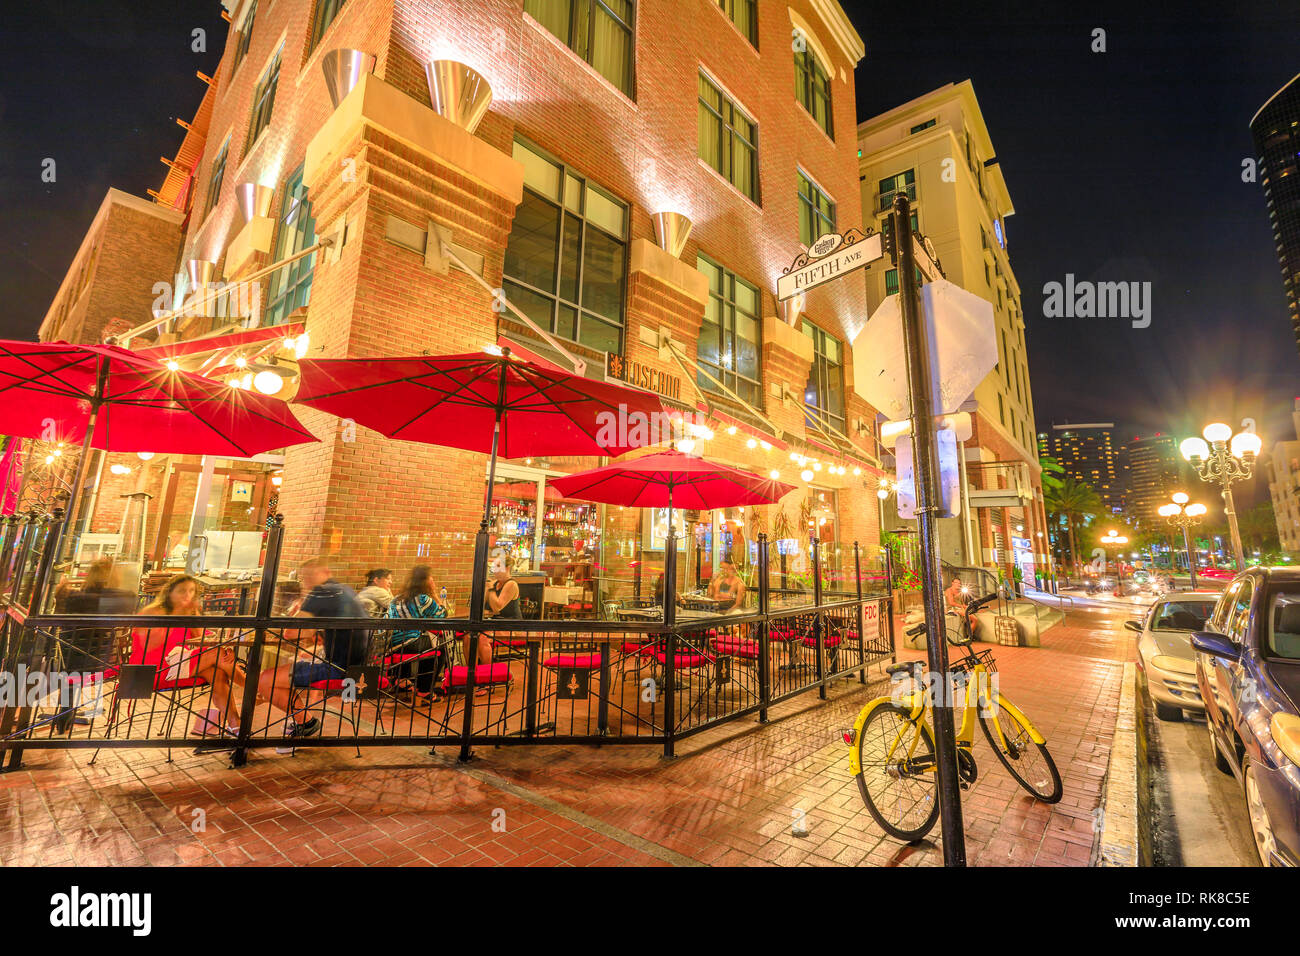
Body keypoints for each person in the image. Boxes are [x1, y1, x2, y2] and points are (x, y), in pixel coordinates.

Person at [258, 557, 367, 740]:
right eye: (304, 577)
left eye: (309, 575)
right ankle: (301, 719)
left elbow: (292, 633)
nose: (306, 581)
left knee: (265, 680)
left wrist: (296, 614)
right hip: (360, 668)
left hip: (339, 670)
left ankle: (306, 724)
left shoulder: (320, 593)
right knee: (293, 664)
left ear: (326, 573)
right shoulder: (345, 590)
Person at [133, 574, 247, 735]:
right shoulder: (153, 611)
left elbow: (202, 640)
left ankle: (235, 726)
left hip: (181, 665)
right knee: (217, 653)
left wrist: (224, 643)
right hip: (153, 669)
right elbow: (147, 647)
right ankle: (254, 688)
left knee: (217, 673)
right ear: (169, 593)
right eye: (182, 591)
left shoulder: (189, 612)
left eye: (191, 591)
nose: (187, 595)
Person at [56, 557, 135, 732]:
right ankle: (66, 715)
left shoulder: (74, 597)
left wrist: (62, 589)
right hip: (100, 660)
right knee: (76, 669)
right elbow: (130, 600)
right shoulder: (120, 599)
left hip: (69, 657)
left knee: (71, 671)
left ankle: (64, 717)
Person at [386, 565, 452, 697]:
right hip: (410, 642)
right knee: (441, 645)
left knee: (427, 643)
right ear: (425, 581)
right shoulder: (422, 598)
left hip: (392, 644)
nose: (433, 580)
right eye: (430, 577)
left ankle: (401, 679)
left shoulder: (397, 598)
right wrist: (434, 595)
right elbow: (442, 614)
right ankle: (424, 690)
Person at [478, 555, 518, 676]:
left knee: (481, 638)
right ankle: (473, 675)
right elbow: (483, 605)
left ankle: (485, 678)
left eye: (498, 566)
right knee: (468, 637)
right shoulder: (494, 583)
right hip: (494, 623)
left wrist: (490, 590)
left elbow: (497, 607)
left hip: (510, 625)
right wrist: (486, 589)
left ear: (507, 568)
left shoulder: (511, 584)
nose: (494, 569)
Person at [944, 576, 979, 641]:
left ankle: (970, 635)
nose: (958, 584)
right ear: (952, 583)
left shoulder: (959, 591)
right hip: (953, 609)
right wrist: (961, 606)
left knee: (973, 616)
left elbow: (962, 602)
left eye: (959, 583)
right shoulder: (949, 590)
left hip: (960, 608)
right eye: (956, 583)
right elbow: (951, 602)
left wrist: (965, 606)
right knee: (974, 619)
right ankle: (969, 636)